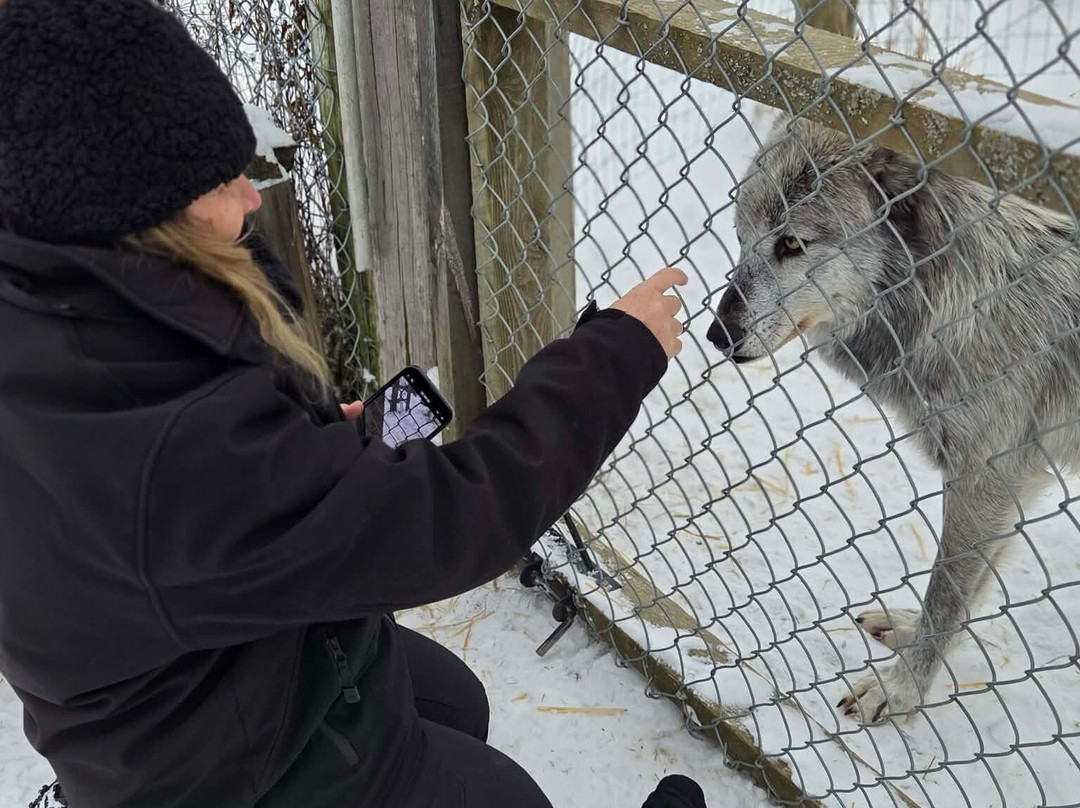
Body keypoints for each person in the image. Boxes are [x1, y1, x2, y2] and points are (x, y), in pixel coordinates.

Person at [0, 1, 708, 807]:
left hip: (180, 685)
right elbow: (450, 521)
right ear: (134, 219)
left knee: (453, 702)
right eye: (218, 180)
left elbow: (209, 470)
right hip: (214, 770)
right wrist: (616, 353)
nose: (252, 196)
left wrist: (300, 451)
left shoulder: (59, 304)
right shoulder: (167, 455)